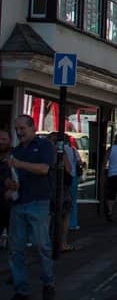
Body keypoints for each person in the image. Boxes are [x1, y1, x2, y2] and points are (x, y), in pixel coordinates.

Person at [9, 114, 56, 300]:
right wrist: (9, 184)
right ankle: (21, 289)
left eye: (22, 129)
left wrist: (20, 164)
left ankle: (48, 282)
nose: (19, 133)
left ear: (32, 128)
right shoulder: (17, 150)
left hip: (38, 201)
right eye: (17, 129)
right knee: (16, 249)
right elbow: (13, 176)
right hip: (19, 202)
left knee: (41, 245)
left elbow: (44, 168)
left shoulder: (44, 145)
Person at [46, 132, 75, 252]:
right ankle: (62, 243)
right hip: (59, 187)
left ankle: (46, 243)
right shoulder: (60, 152)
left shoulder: (44, 152)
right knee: (64, 215)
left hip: (46, 187)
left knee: (48, 216)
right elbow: (69, 169)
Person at [0, 128, 15, 246]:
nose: (1, 141)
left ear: (10, 140)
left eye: (4, 139)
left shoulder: (15, 155)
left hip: (10, 201)